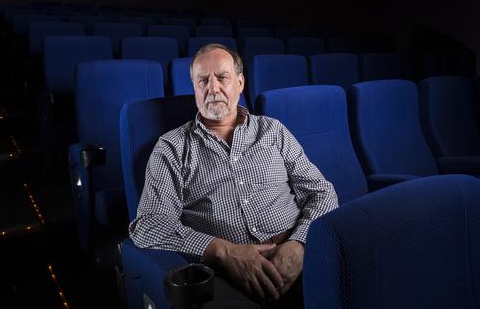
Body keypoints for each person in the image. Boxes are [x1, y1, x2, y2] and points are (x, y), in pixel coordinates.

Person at [131, 43, 339, 308]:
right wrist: (222, 251)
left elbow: (322, 192)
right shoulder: (171, 147)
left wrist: (300, 243)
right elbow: (148, 225)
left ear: (240, 83)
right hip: (227, 275)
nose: (213, 88)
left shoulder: (272, 131)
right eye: (203, 80)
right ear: (194, 87)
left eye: (222, 77)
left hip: (301, 257)